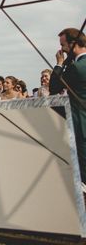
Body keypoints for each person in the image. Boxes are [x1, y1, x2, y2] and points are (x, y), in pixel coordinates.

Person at [49, 27, 86, 183]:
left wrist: (59, 63)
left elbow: (54, 87)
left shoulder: (76, 68)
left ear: (72, 44)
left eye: (63, 46)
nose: (62, 50)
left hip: (81, 124)